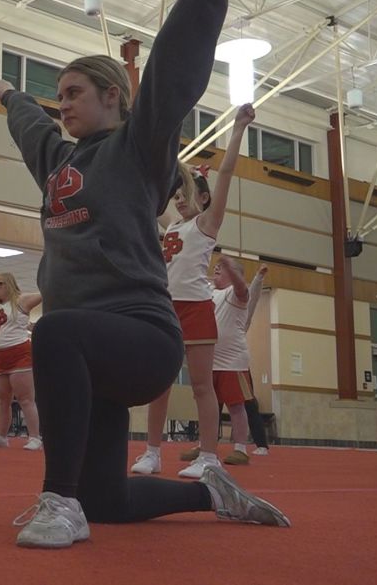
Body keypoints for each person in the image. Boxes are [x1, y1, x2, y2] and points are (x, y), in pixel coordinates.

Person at [0, 0, 289, 549]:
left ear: (112, 96)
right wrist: (9, 97)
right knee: (109, 500)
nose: (63, 102)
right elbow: (31, 128)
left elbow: (171, 71)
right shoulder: (58, 162)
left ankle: (57, 500)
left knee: (51, 332)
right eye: (60, 94)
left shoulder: (138, 148)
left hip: (142, 337)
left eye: (75, 91)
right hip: (89, 356)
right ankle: (213, 493)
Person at [132, 102, 254, 479]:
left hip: (197, 308)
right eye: (177, 194)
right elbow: (151, 189)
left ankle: (208, 456)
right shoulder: (171, 226)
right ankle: (152, 451)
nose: (180, 199)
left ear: (203, 199)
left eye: (186, 193)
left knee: (203, 386)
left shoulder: (206, 224)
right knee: (159, 384)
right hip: (165, 309)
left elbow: (228, 172)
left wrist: (237, 131)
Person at [0, 274, 43, 450]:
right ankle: (1, 436)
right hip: (0, 357)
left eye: (1, 284)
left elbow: (47, 292)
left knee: (25, 399)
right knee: (2, 401)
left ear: (11, 284)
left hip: (19, 354)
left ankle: (35, 437)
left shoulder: (22, 300)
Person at [208, 256, 255, 466]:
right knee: (207, 405)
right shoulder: (209, 292)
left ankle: (240, 449)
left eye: (222, 268)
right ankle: (205, 445)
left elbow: (241, 286)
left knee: (236, 406)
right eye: (216, 267)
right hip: (210, 360)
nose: (216, 268)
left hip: (232, 362)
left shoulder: (237, 294)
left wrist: (231, 268)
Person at [242, 264, 271, 455]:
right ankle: (206, 445)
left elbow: (251, 299)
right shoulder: (214, 299)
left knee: (248, 404)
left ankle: (261, 443)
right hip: (215, 362)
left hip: (236, 364)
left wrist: (258, 278)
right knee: (212, 404)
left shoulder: (240, 307)